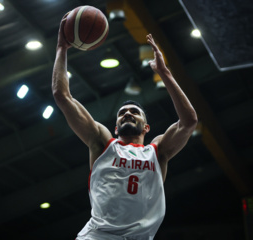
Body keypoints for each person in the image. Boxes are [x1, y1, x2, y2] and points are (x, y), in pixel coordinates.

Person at [52, 13, 198, 240]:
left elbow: (189, 122)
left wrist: (165, 73)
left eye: (134, 112)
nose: (127, 113)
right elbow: (62, 96)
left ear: (146, 128)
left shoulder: (157, 151)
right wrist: (62, 48)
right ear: (116, 128)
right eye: (122, 113)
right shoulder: (102, 142)